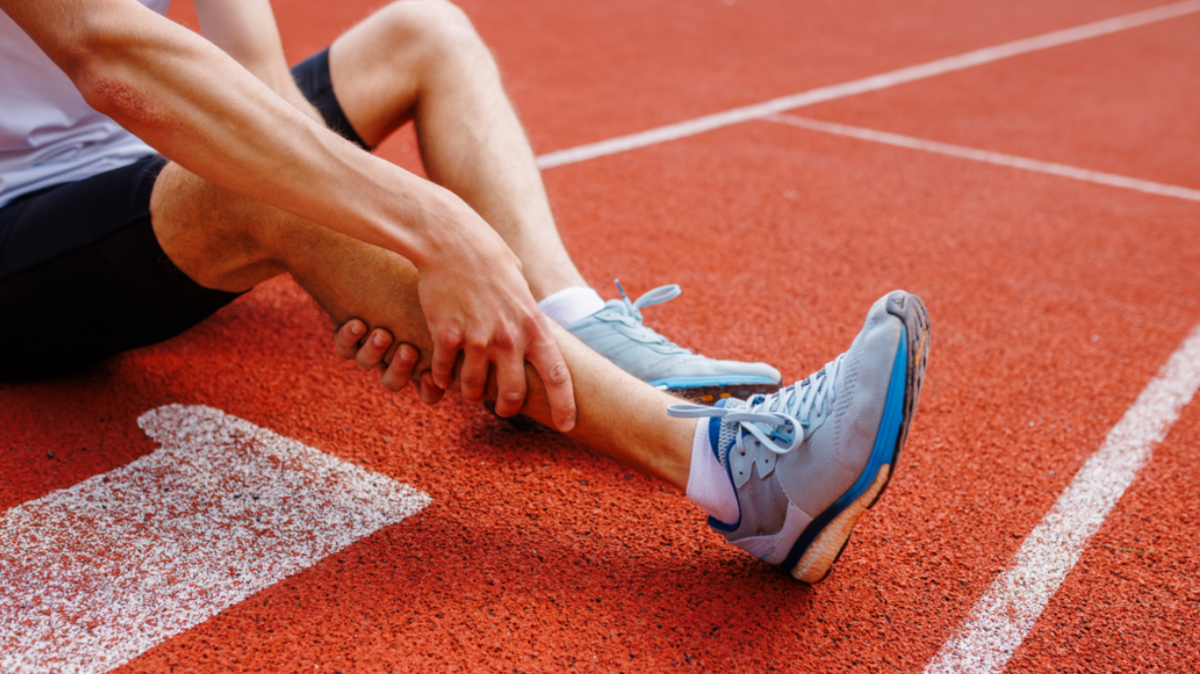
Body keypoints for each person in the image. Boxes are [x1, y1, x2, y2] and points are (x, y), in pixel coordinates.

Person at [0, 0, 930, 582]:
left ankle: (570, 327)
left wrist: (345, 255)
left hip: (142, 167)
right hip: (19, 225)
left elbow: (258, 82)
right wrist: (427, 229)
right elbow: (109, 54)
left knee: (425, 30)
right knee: (259, 187)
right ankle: (736, 477)